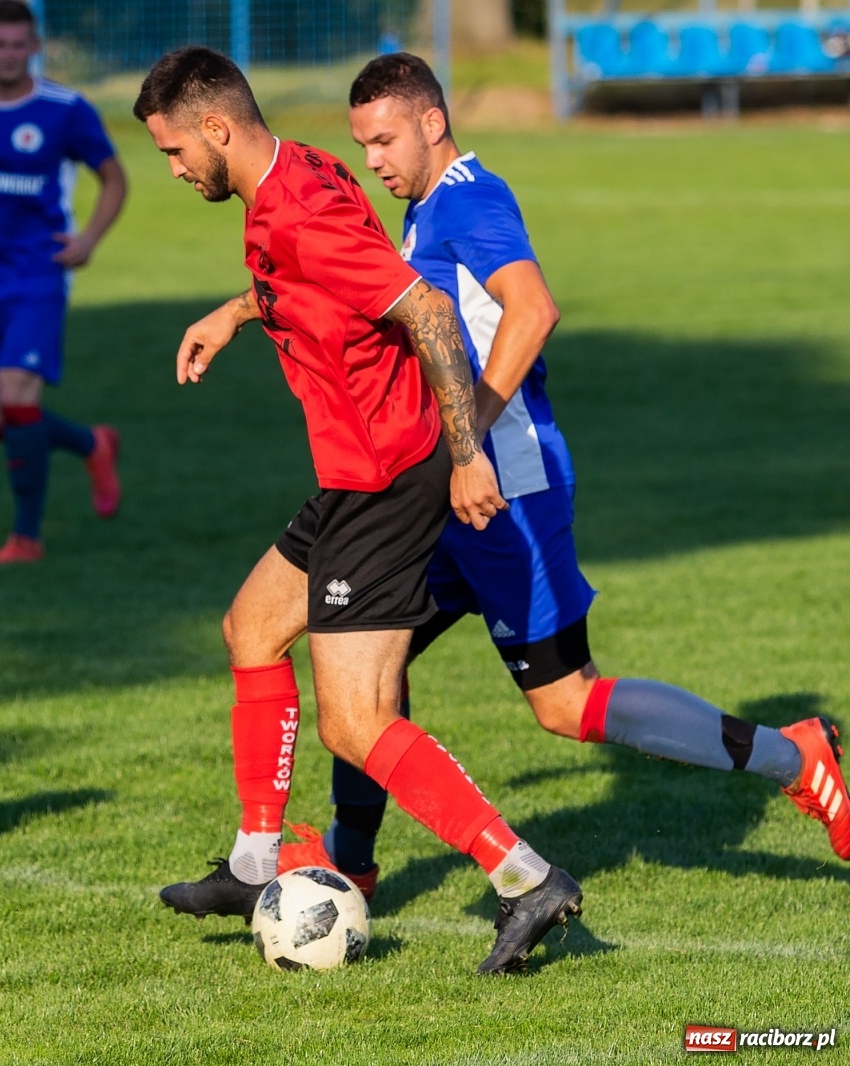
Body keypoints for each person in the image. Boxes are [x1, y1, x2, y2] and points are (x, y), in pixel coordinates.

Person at [277, 53, 845, 896]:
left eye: (386, 139)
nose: (374, 161)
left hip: (504, 488)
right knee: (365, 669)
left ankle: (795, 756)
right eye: (362, 145)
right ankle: (350, 862)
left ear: (433, 122)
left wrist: (465, 440)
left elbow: (532, 308)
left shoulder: (468, 197)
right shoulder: (426, 207)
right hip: (442, 492)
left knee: (565, 703)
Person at [134, 47, 583, 975]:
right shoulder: (298, 172)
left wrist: (465, 453)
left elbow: (420, 311)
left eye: (175, 151)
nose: (174, 170)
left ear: (216, 129)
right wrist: (236, 312)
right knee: (250, 626)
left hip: (388, 478)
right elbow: (314, 284)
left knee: (356, 721)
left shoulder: (295, 203)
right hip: (354, 472)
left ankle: (524, 876)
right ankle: (258, 861)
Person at [0, 0, 127, 565]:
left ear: (33, 48)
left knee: (15, 395)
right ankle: (92, 443)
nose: (8, 54)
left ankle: (26, 540)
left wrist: (87, 241)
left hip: (38, 274)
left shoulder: (64, 109)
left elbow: (113, 178)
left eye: (18, 45)